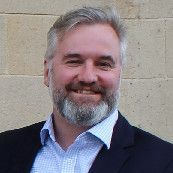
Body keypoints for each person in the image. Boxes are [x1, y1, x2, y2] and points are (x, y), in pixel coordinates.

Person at [0, 6, 173, 173]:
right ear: (47, 72)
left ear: (120, 74)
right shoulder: (5, 150)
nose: (88, 77)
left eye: (103, 64)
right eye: (74, 61)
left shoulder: (164, 162)